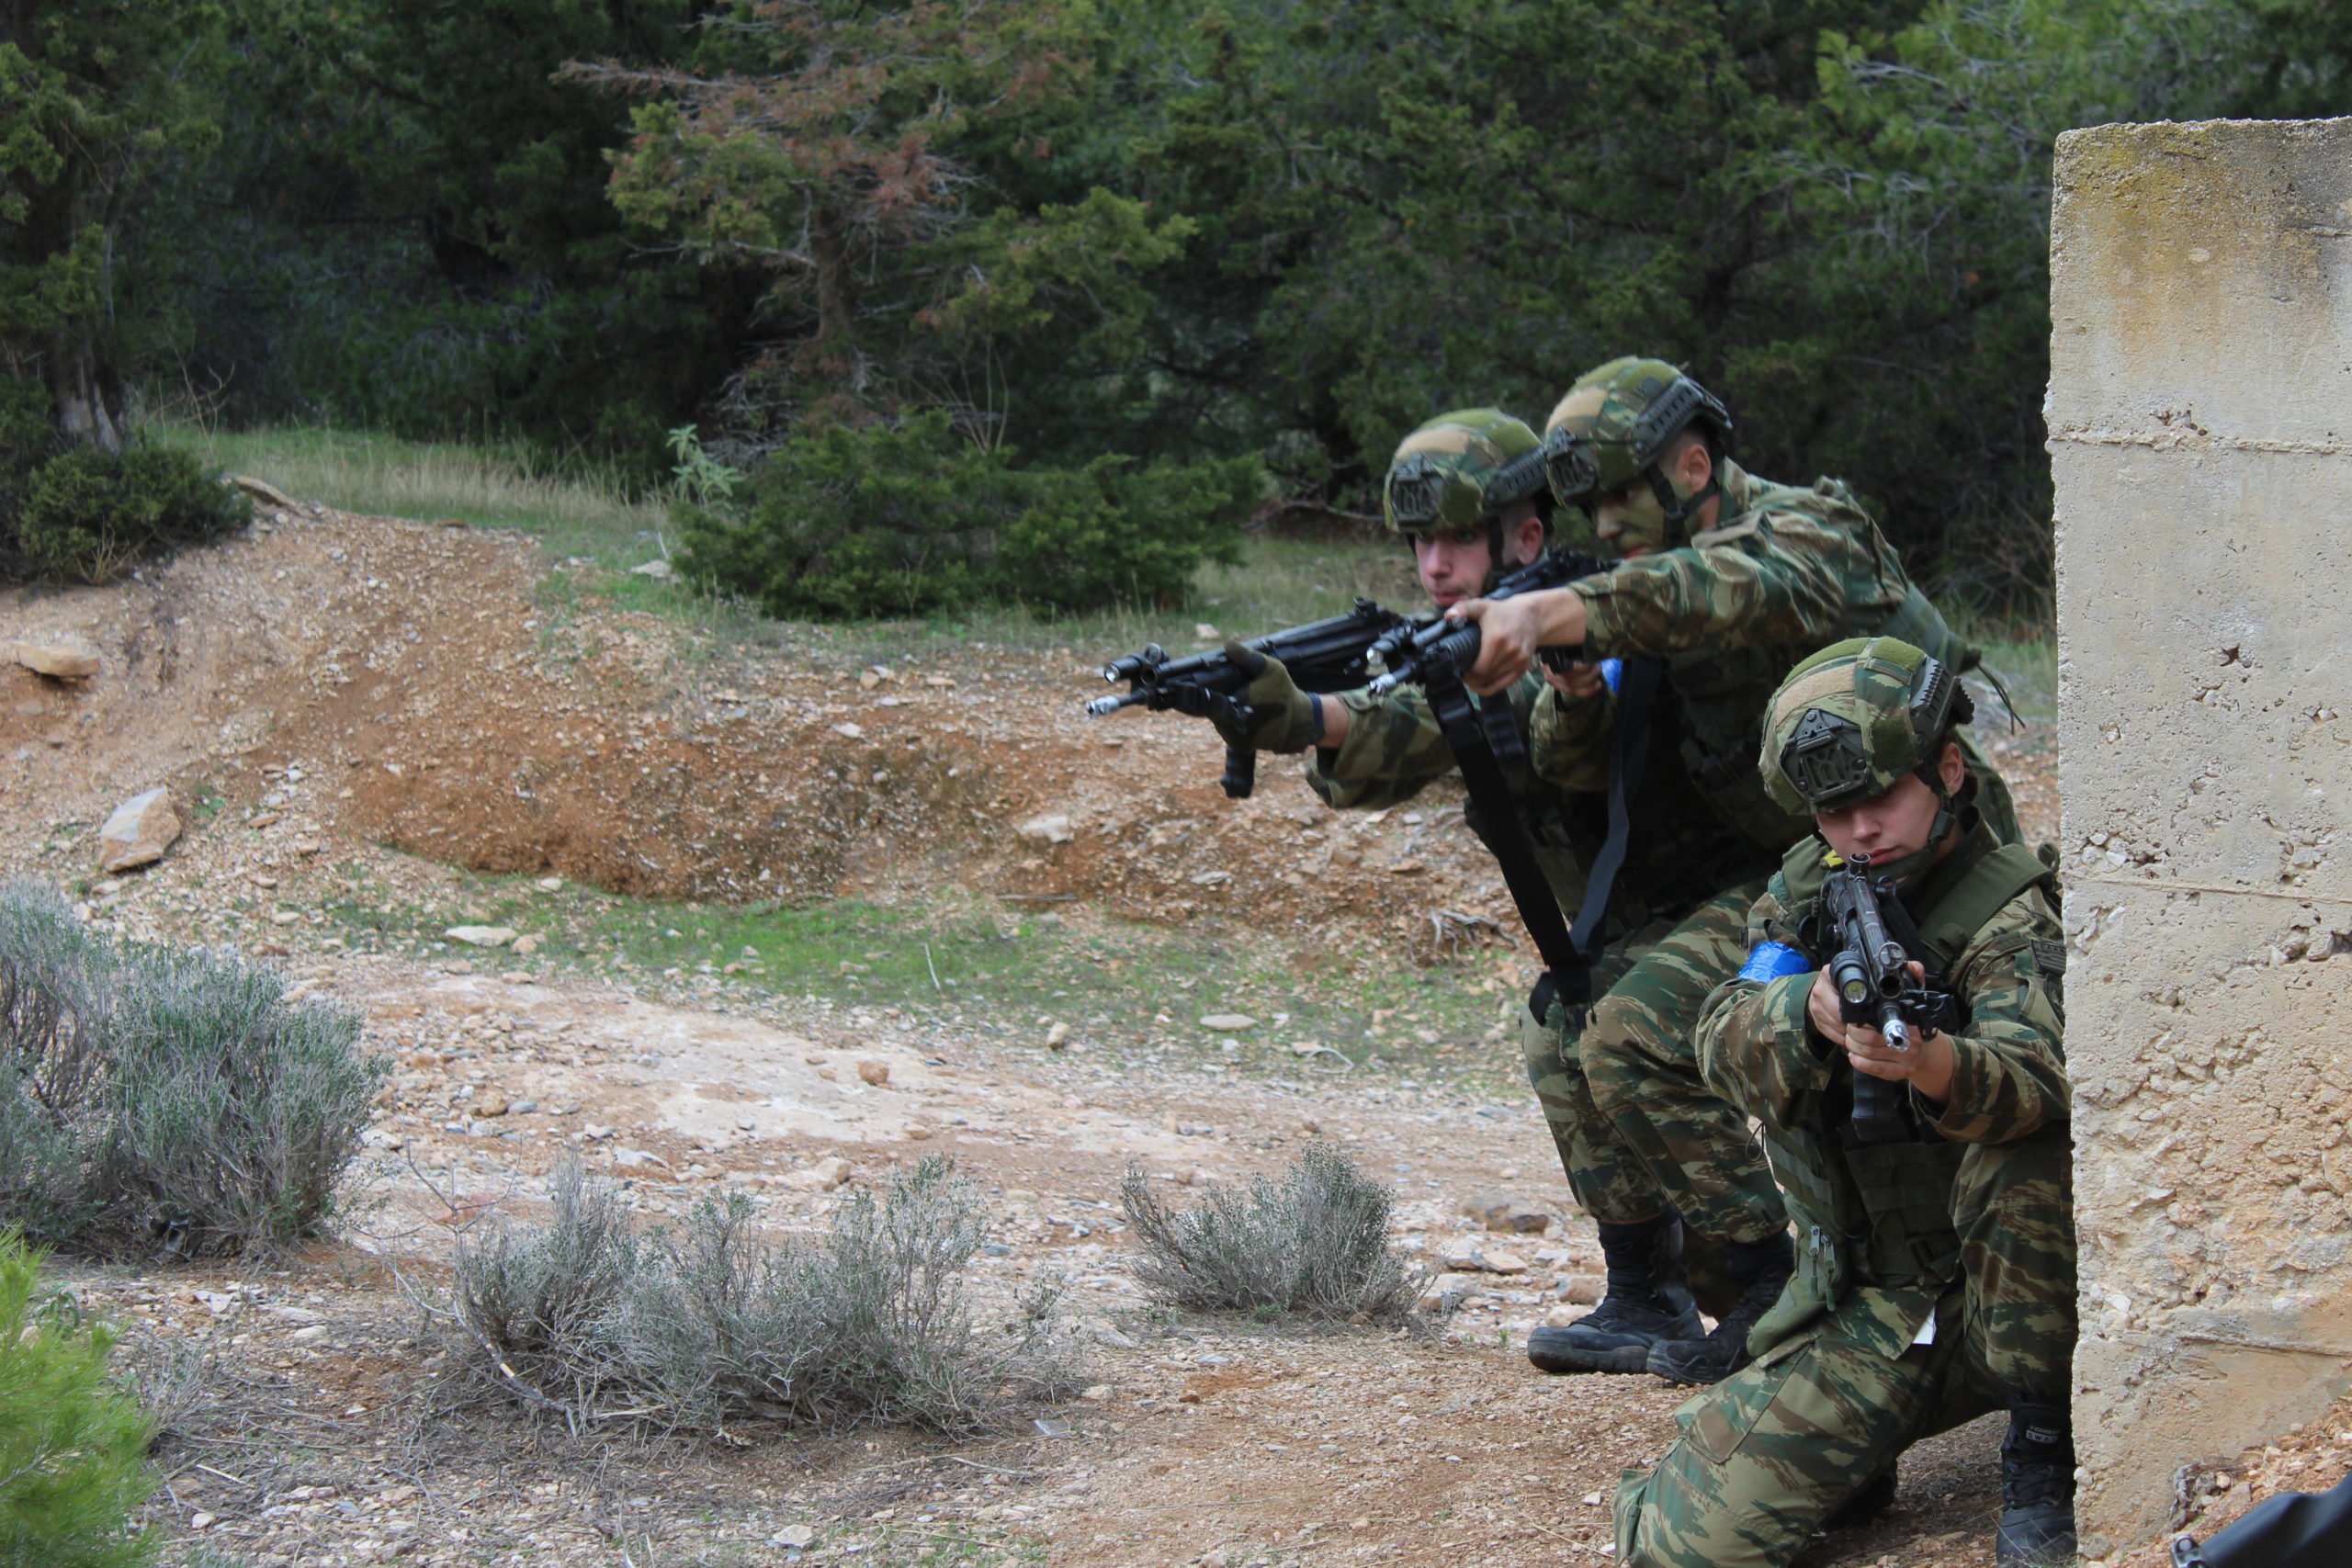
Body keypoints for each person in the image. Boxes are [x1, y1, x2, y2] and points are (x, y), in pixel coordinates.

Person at [1444, 355, 2022, 1385]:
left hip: (1920, 862)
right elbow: (1570, 759)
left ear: (1695, 464)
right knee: (1565, 1018)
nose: (1607, 523)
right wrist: (1572, 681)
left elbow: (1727, 587)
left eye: (1622, 495)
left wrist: (1557, 613)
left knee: (1633, 1030)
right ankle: (1661, 1294)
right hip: (1789, 870)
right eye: (1591, 505)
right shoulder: (1633, 588)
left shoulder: (1809, 533)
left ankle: (1774, 1282)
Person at [1612, 636, 2075, 1568]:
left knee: (2028, 1148)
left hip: (2006, 1301)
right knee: (1678, 1546)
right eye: (1834, 811)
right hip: (1878, 1305)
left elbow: (2035, 1080)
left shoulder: (2007, 914)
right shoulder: (1805, 894)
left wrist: (1934, 1065)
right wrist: (1807, 1010)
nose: (1860, 831)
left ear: (1947, 768)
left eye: (1881, 798)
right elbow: (1722, 1042)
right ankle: (1868, 1435)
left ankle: (2043, 1444)